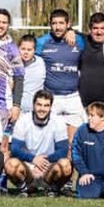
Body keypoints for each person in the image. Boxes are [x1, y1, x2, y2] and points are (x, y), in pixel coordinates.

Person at [4, 89, 73, 196]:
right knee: (10, 164)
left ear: (50, 107)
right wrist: (33, 159)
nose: (42, 109)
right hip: (28, 167)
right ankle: (25, 189)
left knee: (66, 165)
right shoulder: (23, 121)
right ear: (33, 105)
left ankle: (52, 189)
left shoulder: (58, 121)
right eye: (39, 105)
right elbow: (15, 149)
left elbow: (63, 150)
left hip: (48, 167)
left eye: (46, 105)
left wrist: (44, 162)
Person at [36, 9, 86, 142]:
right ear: (50, 25)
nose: (57, 27)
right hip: (52, 98)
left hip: (73, 97)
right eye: (54, 23)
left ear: (68, 24)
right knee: (51, 141)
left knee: (73, 142)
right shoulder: (42, 42)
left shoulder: (79, 41)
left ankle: (71, 162)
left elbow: (96, 37)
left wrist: (74, 32)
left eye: (61, 23)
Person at [18, 35, 45, 114]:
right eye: (23, 49)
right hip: (18, 109)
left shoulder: (41, 62)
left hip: (36, 109)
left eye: (29, 50)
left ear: (34, 50)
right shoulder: (14, 64)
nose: (26, 52)